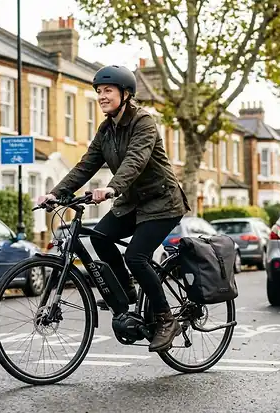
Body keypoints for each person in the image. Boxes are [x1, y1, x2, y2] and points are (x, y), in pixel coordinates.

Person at [36, 65, 191, 353]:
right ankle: (125, 291)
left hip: (162, 202)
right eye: (99, 91)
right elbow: (86, 165)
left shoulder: (143, 122)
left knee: (136, 256)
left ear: (125, 94)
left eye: (108, 90)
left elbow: (136, 160)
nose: (102, 96)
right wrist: (55, 193)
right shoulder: (106, 130)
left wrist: (111, 188)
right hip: (133, 202)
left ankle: (166, 318)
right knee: (99, 237)